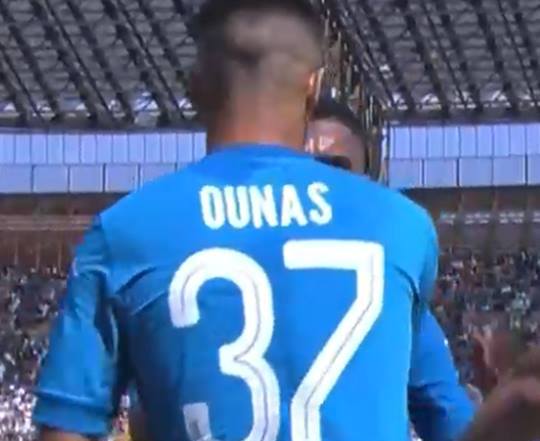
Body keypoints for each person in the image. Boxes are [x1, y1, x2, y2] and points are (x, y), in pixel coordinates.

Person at [31, 1, 540, 441]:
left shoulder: (127, 232)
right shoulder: (400, 228)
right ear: (313, 86)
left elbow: (67, 426)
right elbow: (447, 420)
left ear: (195, 86)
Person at [307, 97, 476, 441]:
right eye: (306, 168)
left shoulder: (393, 294)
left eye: (336, 170)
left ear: (367, 181)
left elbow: (446, 413)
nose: (319, 189)